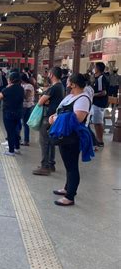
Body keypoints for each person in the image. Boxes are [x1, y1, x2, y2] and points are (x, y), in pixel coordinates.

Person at [49, 73, 92, 206]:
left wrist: (56, 119)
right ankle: (67, 187)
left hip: (73, 136)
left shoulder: (83, 99)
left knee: (72, 166)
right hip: (64, 134)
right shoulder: (69, 97)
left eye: (68, 81)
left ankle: (70, 196)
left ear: (73, 84)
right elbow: (60, 112)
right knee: (68, 164)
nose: (66, 83)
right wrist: (54, 117)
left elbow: (77, 118)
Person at [33, 67, 65, 176]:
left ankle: (44, 166)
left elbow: (40, 102)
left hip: (48, 117)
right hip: (54, 117)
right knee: (50, 141)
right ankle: (51, 164)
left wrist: (44, 99)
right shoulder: (61, 86)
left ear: (51, 75)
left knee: (44, 141)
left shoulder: (54, 87)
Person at [0, 72, 24, 156]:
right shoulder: (21, 88)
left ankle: (11, 151)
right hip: (18, 112)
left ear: (11, 80)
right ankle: (17, 148)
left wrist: (7, 88)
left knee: (10, 132)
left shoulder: (7, 89)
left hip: (8, 113)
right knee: (16, 131)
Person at [92, 62, 109, 147]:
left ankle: (100, 140)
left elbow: (103, 92)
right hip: (96, 103)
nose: (93, 68)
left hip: (99, 103)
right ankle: (98, 139)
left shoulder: (100, 78)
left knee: (98, 122)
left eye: (94, 67)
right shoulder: (97, 78)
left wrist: (93, 94)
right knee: (96, 122)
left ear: (98, 69)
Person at [21, 73, 35, 146]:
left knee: (25, 123)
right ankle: (23, 140)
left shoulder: (28, 86)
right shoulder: (23, 85)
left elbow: (26, 97)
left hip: (27, 106)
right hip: (23, 106)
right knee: (23, 123)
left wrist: (19, 92)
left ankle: (26, 140)